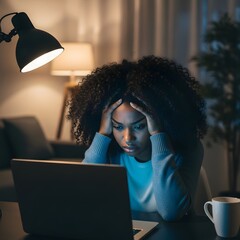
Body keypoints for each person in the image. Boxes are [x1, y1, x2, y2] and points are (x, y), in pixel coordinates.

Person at [68, 55, 207, 221]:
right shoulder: (111, 151)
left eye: (139, 126)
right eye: (118, 126)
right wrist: (102, 134)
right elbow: (82, 197)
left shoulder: (189, 149)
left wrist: (158, 135)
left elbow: (171, 212)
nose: (128, 138)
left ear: (160, 121)